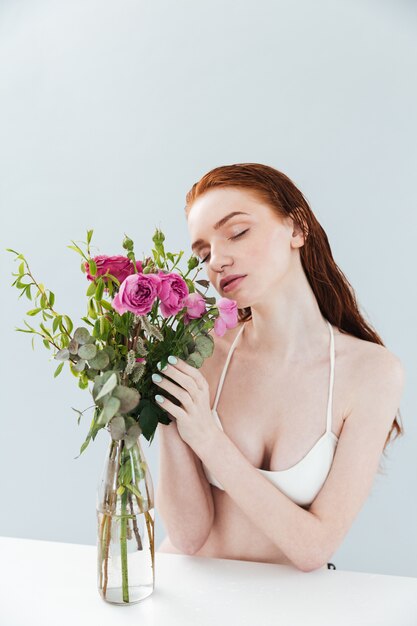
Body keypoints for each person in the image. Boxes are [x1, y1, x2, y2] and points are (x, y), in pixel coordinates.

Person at [155, 163, 405, 572]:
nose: (217, 260)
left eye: (236, 232)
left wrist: (208, 438)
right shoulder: (202, 351)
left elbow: (313, 549)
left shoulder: (372, 373)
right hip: (187, 589)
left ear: (296, 229)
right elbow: (186, 536)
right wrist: (165, 407)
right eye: (203, 253)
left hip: (289, 606)